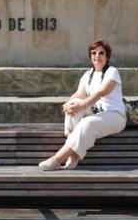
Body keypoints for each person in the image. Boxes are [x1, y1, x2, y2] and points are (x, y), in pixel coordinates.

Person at [39, 39, 127, 170]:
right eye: (94, 53)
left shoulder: (112, 72)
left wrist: (84, 104)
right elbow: (79, 94)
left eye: (101, 53)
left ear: (107, 56)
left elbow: (101, 92)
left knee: (87, 123)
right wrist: (68, 104)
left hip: (115, 116)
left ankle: (56, 160)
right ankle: (73, 154)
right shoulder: (88, 75)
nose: (97, 56)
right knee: (75, 104)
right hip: (97, 112)